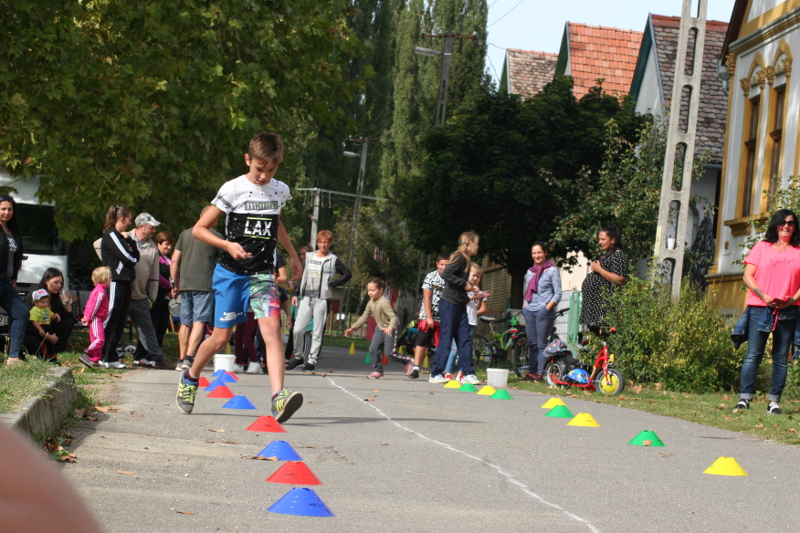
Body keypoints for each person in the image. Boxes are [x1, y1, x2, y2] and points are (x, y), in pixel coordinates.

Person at [176, 132, 304, 424]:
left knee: (272, 331)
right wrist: (227, 245)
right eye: (259, 169)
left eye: (271, 170)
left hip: (263, 275)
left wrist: (293, 255)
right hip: (231, 275)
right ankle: (190, 377)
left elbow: (276, 224)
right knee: (220, 338)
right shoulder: (232, 189)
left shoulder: (279, 191)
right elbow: (199, 229)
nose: (264, 176)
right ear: (248, 159)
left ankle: (278, 397)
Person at [732, 209, 800, 415]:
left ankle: (773, 402)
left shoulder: (798, 250)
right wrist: (764, 296)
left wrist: (792, 300)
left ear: (795, 227)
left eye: (791, 223)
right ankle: (744, 399)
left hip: (789, 309)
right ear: (776, 225)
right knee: (754, 354)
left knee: (781, 357)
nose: (786, 226)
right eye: (782, 222)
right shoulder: (762, 247)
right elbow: (748, 275)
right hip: (760, 308)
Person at [287, 230, 351, 371]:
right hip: (306, 297)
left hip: (322, 299)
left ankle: (312, 361)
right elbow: (303, 276)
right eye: (321, 242)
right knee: (297, 330)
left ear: (330, 243)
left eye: (326, 242)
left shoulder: (333, 260)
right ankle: (298, 357)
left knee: (317, 331)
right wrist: (296, 293)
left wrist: (333, 284)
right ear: (317, 243)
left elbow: (347, 273)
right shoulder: (309, 256)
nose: (323, 245)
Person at [171, 206, 222, 371]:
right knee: (199, 321)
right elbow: (225, 260)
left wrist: (174, 283)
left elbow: (174, 260)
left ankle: (180, 359)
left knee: (185, 322)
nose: (217, 222)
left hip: (185, 284)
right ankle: (188, 358)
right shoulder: (216, 236)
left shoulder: (185, 234)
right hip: (204, 284)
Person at [430, 232, 482, 384]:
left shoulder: (466, 260)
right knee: (446, 339)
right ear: (471, 243)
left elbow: (457, 285)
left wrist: (470, 289)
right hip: (449, 305)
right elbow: (447, 273)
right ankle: (436, 373)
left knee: (465, 339)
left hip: (460, 305)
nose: (478, 247)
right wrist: (465, 284)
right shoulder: (460, 257)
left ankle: (468, 373)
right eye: (477, 244)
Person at [122, 212, 169, 368]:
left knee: (148, 330)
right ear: (141, 226)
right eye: (151, 227)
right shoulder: (123, 237)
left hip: (141, 296)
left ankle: (158, 358)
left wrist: (152, 298)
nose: (154, 230)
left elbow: (154, 276)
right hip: (122, 294)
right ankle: (114, 356)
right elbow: (99, 244)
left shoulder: (153, 247)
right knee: (116, 326)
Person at [344, 278, 411, 379]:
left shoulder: (384, 302)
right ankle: (378, 371)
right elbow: (364, 317)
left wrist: (390, 328)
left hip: (391, 328)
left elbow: (394, 318)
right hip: (380, 329)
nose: (370, 293)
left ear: (381, 290)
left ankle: (407, 360)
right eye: (369, 290)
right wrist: (352, 328)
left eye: (373, 290)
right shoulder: (371, 302)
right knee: (373, 349)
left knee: (389, 353)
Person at [235, 250, 288, 374]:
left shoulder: (275, 254)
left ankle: (257, 362)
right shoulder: (245, 251)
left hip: (260, 302)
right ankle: (239, 362)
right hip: (244, 304)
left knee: (259, 336)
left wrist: (266, 280)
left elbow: (283, 277)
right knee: (238, 336)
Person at [100, 205, 139, 369]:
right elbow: (129, 258)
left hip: (126, 281)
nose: (130, 224)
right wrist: (131, 252)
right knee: (111, 317)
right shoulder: (111, 235)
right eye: (129, 220)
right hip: (115, 280)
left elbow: (136, 256)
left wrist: (130, 241)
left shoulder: (123, 237)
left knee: (120, 319)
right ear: (122, 219)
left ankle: (111, 356)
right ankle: (100, 354)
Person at [133, 230, 176, 364]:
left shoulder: (169, 260)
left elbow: (175, 276)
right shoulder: (155, 256)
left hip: (165, 299)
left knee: (161, 326)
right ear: (158, 243)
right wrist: (169, 287)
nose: (169, 247)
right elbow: (155, 275)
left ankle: (154, 356)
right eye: (166, 244)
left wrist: (175, 288)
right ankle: (141, 356)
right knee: (151, 327)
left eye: (171, 245)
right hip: (154, 296)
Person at [521, 242, 562, 381]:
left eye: (539, 252)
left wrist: (546, 308)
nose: (536, 255)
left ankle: (541, 373)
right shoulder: (530, 272)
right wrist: (525, 306)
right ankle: (532, 372)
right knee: (532, 343)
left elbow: (558, 294)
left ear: (545, 253)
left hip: (543, 311)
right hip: (530, 310)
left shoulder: (552, 270)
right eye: (534, 253)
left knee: (541, 344)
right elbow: (527, 291)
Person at [444, 263, 491, 381]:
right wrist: (473, 297)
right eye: (474, 275)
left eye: (478, 277)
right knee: (455, 348)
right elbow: (462, 301)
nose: (476, 279)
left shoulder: (478, 291)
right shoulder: (462, 289)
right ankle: (448, 371)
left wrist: (479, 297)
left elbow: (478, 307)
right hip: (461, 321)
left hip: (472, 322)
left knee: (465, 348)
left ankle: (461, 372)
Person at [409, 253, 449, 379]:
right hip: (428, 314)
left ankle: (439, 369)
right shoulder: (431, 276)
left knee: (441, 343)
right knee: (422, 341)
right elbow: (426, 298)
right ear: (437, 264)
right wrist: (429, 317)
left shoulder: (452, 279)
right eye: (442, 264)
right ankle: (416, 368)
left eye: (447, 265)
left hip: (444, 315)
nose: (444, 267)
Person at [579, 227, 628, 327]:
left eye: (603, 239)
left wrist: (599, 269)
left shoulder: (618, 255)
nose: (600, 242)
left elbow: (620, 279)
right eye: (599, 239)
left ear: (612, 239)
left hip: (603, 309)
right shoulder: (608, 255)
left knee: (602, 334)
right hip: (593, 308)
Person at [0, 195, 29, 365]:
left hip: (6, 282)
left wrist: (13, 278)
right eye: (3, 209)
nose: (7, 212)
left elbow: (14, 258)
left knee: (22, 313)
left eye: (10, 209)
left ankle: (13, 357)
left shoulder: (13, 231)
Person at [24, 268, 76, 355]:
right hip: (36, 332)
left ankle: (56, 349)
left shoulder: (55, 298)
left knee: (68, 322)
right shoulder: (34, 298)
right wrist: (48, 337)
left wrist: (68, 303)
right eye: (56, 282)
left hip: (50, 330)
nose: (59, 286)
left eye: (61, 283)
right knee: (31, 342)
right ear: (46, 281)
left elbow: (68, 319)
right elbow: (28, 325)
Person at [79, 267, 111, 368]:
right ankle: (88, 353)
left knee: (95, 340)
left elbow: (89, 304)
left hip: (96, 318)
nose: (111, 280)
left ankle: (95, 360)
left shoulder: (97, 290)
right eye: (110, 277)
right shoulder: (100, 292)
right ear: (104, 279)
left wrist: (86, 316)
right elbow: (94, 306)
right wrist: (88, 317)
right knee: (99, 339)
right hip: (96, 318)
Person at [23, 289, 59, 360]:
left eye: (46, 302)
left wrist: (55, 315)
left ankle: (52, 355)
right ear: (35, 302)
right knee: (43, 343)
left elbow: (51, 316)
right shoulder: (35, 310)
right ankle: (45, 356)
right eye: (42, 302)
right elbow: (33, 320)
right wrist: (39, 329)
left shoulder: (46, 309)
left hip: (47, 326)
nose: (45, 304)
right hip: (40, 326)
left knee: (49, 343)